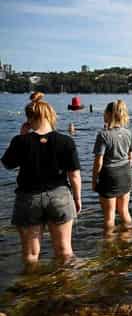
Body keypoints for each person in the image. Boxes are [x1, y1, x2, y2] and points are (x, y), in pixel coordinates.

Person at [1, 93, 81, 268]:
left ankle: (31, 289)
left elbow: (7, 164)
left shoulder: (20, 141)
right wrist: (77, 198)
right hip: (59, 196)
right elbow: (74, 175)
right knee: (64, 250)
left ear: (29, 119)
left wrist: (21, 135)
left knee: (30, 254)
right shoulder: (66, 141)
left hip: (28, 197)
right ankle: (68, 288)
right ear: (50, 116)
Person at [92, 100, 132, 236]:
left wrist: (94, 180)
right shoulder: (128, 133)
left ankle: (109, 246)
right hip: (125, 172)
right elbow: (131, 157)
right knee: (124, 211)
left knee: (109, 216)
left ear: (109, 114)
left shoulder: (103, 135)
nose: (103, 114)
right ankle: (128, 239)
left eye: (105, 112)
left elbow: (98, 162)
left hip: (109, 174)